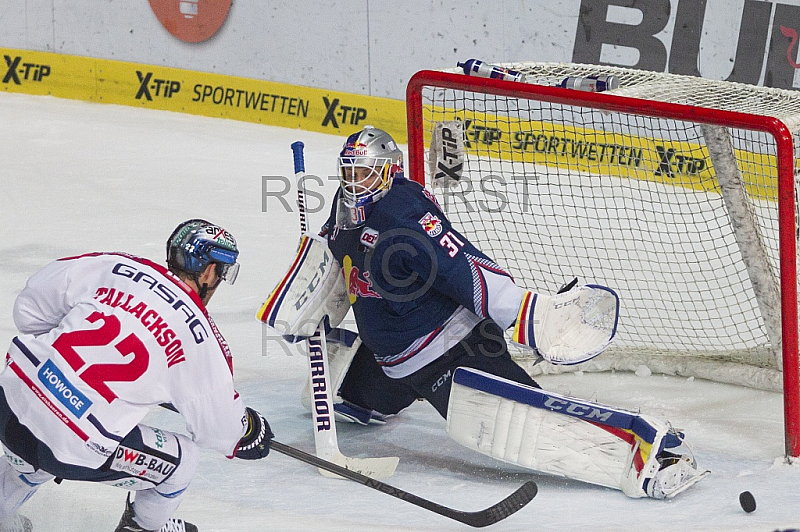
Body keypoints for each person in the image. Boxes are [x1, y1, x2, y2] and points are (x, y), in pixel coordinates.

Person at [267, 125, 708, 500]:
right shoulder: (346, 208)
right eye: (347, 172)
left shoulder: (404, 214)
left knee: (526, 429)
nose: (354, 181)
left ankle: (650, 450)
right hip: (395, 360)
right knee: (350, 395)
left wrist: (526, 315)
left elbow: (463, 268)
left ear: (387, 169)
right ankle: (373, 397)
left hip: (452, 350)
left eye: (362, 172)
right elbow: (335, 262)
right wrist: (307, 296)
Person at [0, 219, 273, 532]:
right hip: (67, 444)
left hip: (9, 398)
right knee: (182, 462)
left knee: (44, 424)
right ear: (209, 271)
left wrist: (63, 364)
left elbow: (30, 308)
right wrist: (249, 430)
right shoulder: (201, 337)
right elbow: (220, 430)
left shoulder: (116, 266)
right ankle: (142, 527)